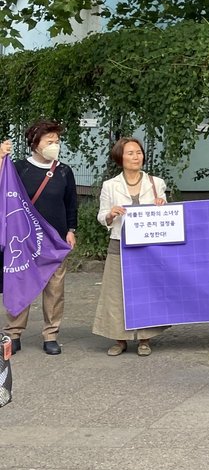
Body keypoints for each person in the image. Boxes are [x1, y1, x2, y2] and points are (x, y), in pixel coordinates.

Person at [3, 120, 78, 356]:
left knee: (55, 288)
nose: (54, 145)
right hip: (23, 239)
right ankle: (14, 333)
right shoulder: (17, 168)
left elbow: (71, 203)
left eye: (57, 141)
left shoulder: (64, 171)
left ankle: (51, 335)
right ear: (35, 144)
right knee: (20, 283)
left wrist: (71, 230)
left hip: (55, 239)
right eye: (49, 141)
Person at [92, 138, 169, 356]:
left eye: (138, 152)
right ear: (120, 158)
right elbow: (101, 215)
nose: (136, 157)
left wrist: (162, 206)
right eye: (130, 153)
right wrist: (110, 214)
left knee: (147, 290)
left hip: (148, 245)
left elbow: (165, 214)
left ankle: (145, 338)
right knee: (116, 292)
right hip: (120, 242)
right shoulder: (110, 185)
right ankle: (120, 339)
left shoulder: (156, 183)